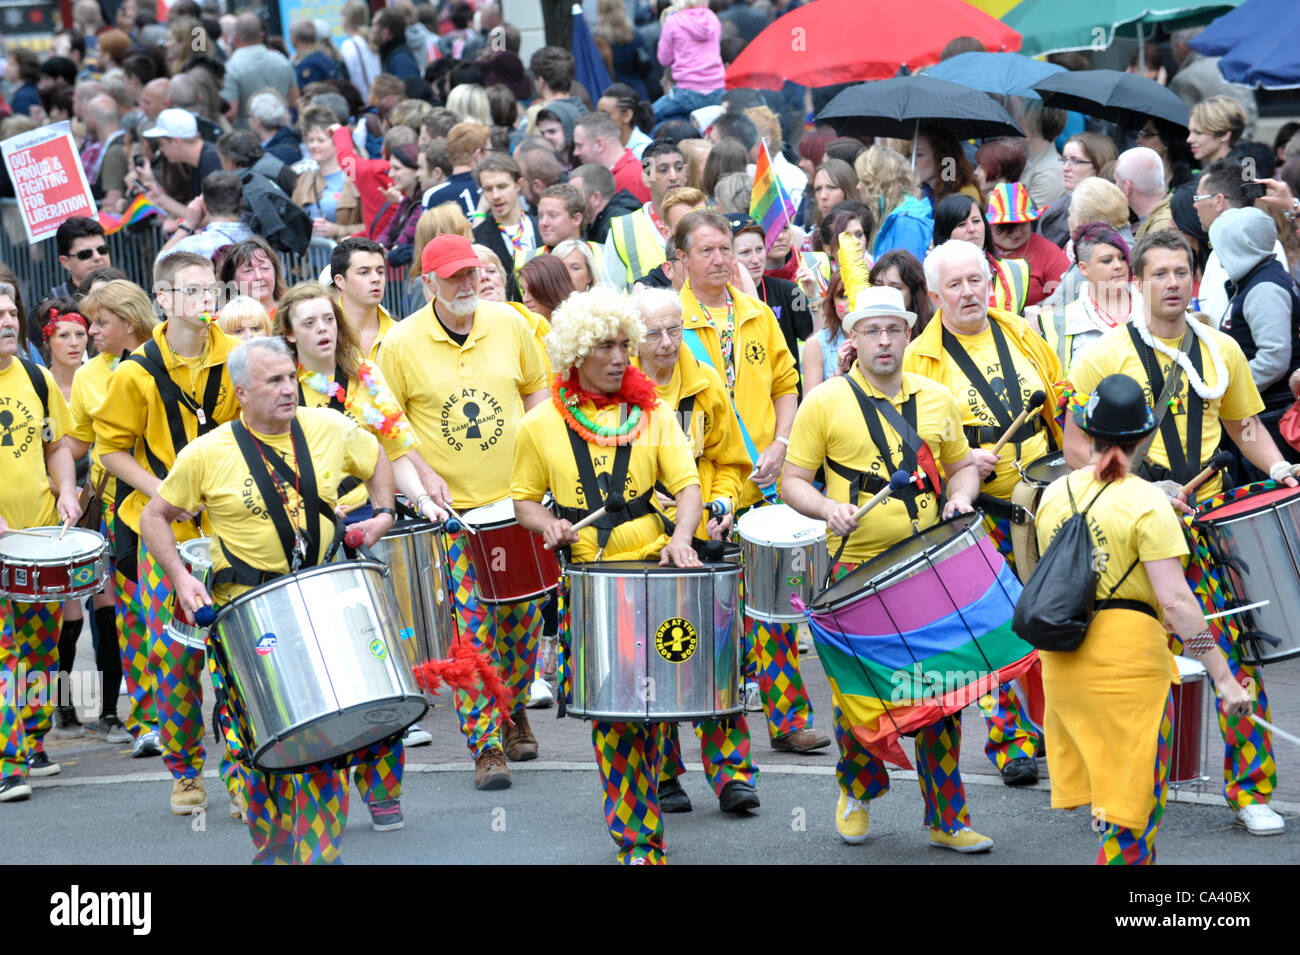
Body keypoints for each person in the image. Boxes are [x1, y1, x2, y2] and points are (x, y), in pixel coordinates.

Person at [1065, 229, 1295, 836]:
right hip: (1136, 528)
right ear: (1136, 283)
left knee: (1236, 658)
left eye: (1180, 272)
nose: (1171, 283)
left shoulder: (1221, 350)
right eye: (1159, 273)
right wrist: (1140, 487)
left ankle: (1250, 788)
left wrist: (1278, 468)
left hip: (1210, 531)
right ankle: (1122, 795)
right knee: (1136, 672)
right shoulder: (1101, 355)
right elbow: (1073, 448)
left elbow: (1245, 426)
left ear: (1195, 278)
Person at [139, 336, 396, 863]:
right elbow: (154, 517)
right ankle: (276, 850)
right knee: (251, 756)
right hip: (245, 618)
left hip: (319, 599)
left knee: (324, 745)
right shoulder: (206, 454)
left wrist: (385, 513)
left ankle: (320, 856)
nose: (288, 389)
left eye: (291, 377)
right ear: (241, 393)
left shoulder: (327, 427)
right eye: (273, 381)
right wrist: (181, 577)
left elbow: (377, 459)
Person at [783, 281, 996, 852]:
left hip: (929, 565)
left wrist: (961, 496)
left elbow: (961, 468)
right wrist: (829, 507)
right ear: (852, 338)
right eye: (871, 331)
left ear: (909, 333)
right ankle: (856, 790)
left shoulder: (937, 397)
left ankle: (946, 818)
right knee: (865, 694)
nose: (884, 341)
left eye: (894, 330)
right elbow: (792, 482)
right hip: (856, 571)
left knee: (944, 691)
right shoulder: (824, 402)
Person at [511, 286, 705, 864]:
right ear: (575, 352)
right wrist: (547, 524)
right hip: (590, 587)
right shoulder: (541, 423)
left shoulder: (655, 413)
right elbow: (523, 500)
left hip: (654, 578)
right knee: (616, 723)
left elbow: (688, 487)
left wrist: (680, 538)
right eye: (605, 345)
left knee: (659, 708)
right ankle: (639, 843)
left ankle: (665, 785)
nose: (620, 357)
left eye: (625, 344)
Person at [1039, 373, 1253, 864]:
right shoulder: (1147, 503)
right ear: (1141, 438)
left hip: (1065, 661)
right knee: (1134, 815)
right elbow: (1177, 603)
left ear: (1088, 433)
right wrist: (1223, 677)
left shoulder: (1054, 495)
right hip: (1127, 666)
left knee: (1110, 807)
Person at [377, 234, 546, 791]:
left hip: (517, 507)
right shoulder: (400, 343)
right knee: (471, 633)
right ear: (428, 284)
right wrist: (422, 486)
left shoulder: (511, 323)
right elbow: (390, 429)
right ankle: (486, 745)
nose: (466, 284)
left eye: (471, 273)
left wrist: (546, 475)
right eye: (453, 277)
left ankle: (514, 704)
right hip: (454, 518)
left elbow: (537, 397)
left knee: (521, 624)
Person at [272, 282, 439, 830]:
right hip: (296, 541)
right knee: (314, 671)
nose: (322, 329)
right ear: (289, 334)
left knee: (375, 661)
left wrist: (418, 502)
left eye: (328, 319)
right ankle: (318, 791)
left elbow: (394, 452)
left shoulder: (365, 376)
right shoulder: (278, 384)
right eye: (309, 323)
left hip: (362, 531)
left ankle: (384, 789)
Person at [903, 239, 1064, 787]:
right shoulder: (918, 359)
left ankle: (1058, 727)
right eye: (955, 285)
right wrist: (960, 464)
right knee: (990, 623)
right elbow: (909, 451)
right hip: (979, 508)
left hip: (1048, 499)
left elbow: (1059, 400)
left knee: (1058, 612)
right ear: (933, 294)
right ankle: (1010, 739)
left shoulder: (1021, 332)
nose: (969, 292)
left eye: (976, 280)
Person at [93, 251, 243, 817]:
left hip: (230, 529)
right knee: (178, 662)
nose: (206, 299)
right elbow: (109, 450)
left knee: (236, 656)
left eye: (211, 289)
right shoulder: (135, 371)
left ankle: (240, 771)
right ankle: (184, 773)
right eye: (193, 290)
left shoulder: (237, 358)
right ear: (164, 299)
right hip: (162, 535)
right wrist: (162, 492)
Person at [675, 209, 829, 754]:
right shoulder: (671, 323)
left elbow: (787, 384)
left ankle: (788, 721)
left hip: (765, 485)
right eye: (708, 251)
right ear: (682, 261)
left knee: (776, 607)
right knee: (708, 616)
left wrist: (782, 443)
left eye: (727, 250)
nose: (722, 260)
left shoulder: (758, 313)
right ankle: (710, 728)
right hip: (701, 491)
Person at [67, 281, 160, 758]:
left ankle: (199, 711)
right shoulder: (87, 377)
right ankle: (148, 719)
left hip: (175, 502)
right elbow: (74, 443)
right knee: (133, 616)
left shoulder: (164, 356)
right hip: (119, 506)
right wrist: (62, 484)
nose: (91, 332)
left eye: (101, 323)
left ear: (129, 320)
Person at [0, 280, 81, 803]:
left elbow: (57, 445)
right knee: (5, 651)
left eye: (11, 311)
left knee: (41, 648)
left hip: (37, 539)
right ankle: (6, 760)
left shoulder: (33, 375)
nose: (8, 320)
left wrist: (68, 491)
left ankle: (30, 739)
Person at [1209, 207, 1300, 468]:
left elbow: (1273, 359)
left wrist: (1229, 392)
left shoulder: (1265, 288)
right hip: (1261, 412)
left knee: (1274, 492)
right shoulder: (1253, 281)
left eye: (1222, 248)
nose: (1219, 258)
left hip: (1272, 417)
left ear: (1239, 248)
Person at [1040, 223, 1141, 375]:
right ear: (1083, 269)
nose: (1118, 265)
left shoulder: (1151, 303)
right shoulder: (1058, 321)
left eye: (1122, 258)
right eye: (1107, 260)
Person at [731, 216, 813, 378]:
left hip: (786, 393)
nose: (755, 259)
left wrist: (815, 298)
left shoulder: (789, 290)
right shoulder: (718, 300)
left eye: (760, 249)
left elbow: (814, 338)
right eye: (745, 252)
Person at [602, 140, 687, 288]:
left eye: (679, 168)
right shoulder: (623, 229)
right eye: (663, 170)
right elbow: (611, 290)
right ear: (646, 179)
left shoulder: (709, 218)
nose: (673, 176)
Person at [932, 194, 1030, 316]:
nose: (972, 229)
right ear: (945, 233)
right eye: (961, 224)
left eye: (976, 221)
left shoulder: (1016, 270)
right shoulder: (932, 277)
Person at [985, 183, 1069, 308]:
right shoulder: (979, 249)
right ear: (991, 226)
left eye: (1023, 224)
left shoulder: (1047, 251)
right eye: (1008, 226)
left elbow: (1068, 296)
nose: (1017, 233)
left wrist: (1043, 310)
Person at [292, 107, 363, 242]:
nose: (313, 145)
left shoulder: (355, 177)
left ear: (336, 141)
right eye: (310, 140)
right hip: (311, 261)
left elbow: (373, 226)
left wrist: (336, 229)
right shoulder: (303, 179)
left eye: (320, 140)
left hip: (346, 258)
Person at [1038, 132, 1118, 249]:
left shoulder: (1117, 207)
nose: (1065, 168)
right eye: (1064, 160)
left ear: (1098, 165)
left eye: (1075, 161)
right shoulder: (1058, 211)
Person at [855, 146, 932, 264]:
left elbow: (908, 276)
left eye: (862, 180)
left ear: (876, 184)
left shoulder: (907, 222)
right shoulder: (895, 216)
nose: (858, 186)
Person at [156, 170, 254, 261]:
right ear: (241, 202)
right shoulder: (257, 238)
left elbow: (159, 265)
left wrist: (187, 225)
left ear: (204, 206)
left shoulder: (192, 245)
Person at [653, 0, 725, 123]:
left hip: (687, 91)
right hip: (718, 90)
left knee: (648, 117)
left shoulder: (673, 21)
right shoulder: (712, 18)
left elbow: (664, 59)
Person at [222, 13, 296, 127]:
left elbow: (231, 113)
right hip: (282, 132)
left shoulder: (231, 68)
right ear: (261, 36)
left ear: (236, 38)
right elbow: (294, 100)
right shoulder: (283, 61)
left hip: (248, 138)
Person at [471, 154, 539, 277]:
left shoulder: (542, 227)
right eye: (488, 189)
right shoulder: (477, 239)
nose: (495, 195)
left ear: (518, 185)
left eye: (502, 187)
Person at [330, 237, 396, 360]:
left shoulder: (399, 332)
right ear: (340, 281)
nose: (376, 278)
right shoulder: (325, 331)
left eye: (380, 271)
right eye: (364, 272)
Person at [573, 111, 652, 205]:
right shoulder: (620, 175)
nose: (575, 152)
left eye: (579, 145)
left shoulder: (630, 179)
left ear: (599, 144)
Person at [914, 123, 984, 212]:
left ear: (940, 157)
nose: (912, 162)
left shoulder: (965, 195)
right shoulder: (921, 192)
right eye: (910, 154)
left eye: (919, 154)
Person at [1015, 101, 1067, 210]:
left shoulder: (1050, 171)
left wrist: (992, 194)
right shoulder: (1034, 161)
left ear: (1035, 126)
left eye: (1022, 119)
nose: (1018, 123)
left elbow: (1028, 216)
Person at [1115, 147, 1174, 239]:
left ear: (1127, 187)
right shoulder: (1171, 213)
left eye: (1116, 181)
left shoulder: (1160, 231)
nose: (1115, 186)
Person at [219, 238, 287, 318]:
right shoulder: (223, 321)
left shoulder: (291, 313)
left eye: (264, 268)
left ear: (275, 272)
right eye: (248, 270)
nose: (259, 276)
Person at [50, 217, 111, 302]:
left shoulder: (128, 294)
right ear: (66, 262)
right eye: (85, 254)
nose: (97, 257)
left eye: (102, 249)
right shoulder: (54, 307)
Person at [517, 255, 575, 321]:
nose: (525, 299)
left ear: (553, 289)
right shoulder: (523, 327)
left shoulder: (579, 325)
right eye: (523, 291)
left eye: (533, 290)